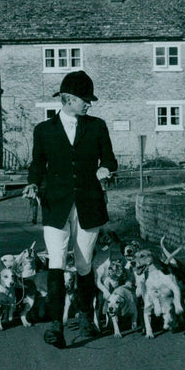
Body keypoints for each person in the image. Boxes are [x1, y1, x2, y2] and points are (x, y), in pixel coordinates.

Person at [23, 70, 117, 348]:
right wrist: (32, 183)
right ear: (69, 99)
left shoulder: (97, 126)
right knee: (56, 261)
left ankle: (86, 318)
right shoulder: (44, 130)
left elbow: (110, 159)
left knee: (84, 263)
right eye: (85, 99)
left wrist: (105, 168)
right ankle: (56, 326)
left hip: (89, 204)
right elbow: (37, 164)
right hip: (56, 205)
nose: (89, 104)